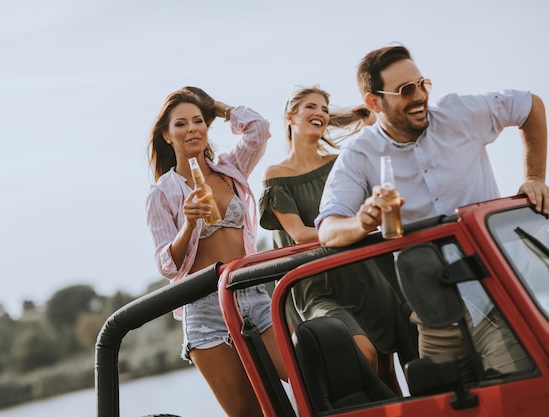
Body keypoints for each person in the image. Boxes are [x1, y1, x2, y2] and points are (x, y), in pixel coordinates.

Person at [316, 44, 547, 377]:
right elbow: (328, 229)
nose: (419, 95)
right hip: (434, 318)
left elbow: (530, 106)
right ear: (373, 102)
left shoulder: (459, 113)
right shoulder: (359, 155)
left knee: (515, 399)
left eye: (422, 84)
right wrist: (362, 221)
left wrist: (535, 177)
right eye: (406, 90)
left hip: (501, 296)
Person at [145, 86, 287, 417]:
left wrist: (217, 107)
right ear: (167, 135)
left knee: (305, 378)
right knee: (246, 413)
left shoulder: (230, 169)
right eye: (180, 124)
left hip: (251, 294)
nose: (192, 128)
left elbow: (259, 129)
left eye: (198, 121)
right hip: (205, 310)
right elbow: (166, 265)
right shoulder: (162, 193)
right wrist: (189, 225)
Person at [258, 85, 403, 392]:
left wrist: (365, 121)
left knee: (387, 365)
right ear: (290, 117)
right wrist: (356, 226)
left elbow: (377, 169)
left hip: (362, 272)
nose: (321, 113)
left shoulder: (341, 162)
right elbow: (298, 235)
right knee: (365, 356)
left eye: (325, 109)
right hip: (317, 285)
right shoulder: (276, 174)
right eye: (312, 107)